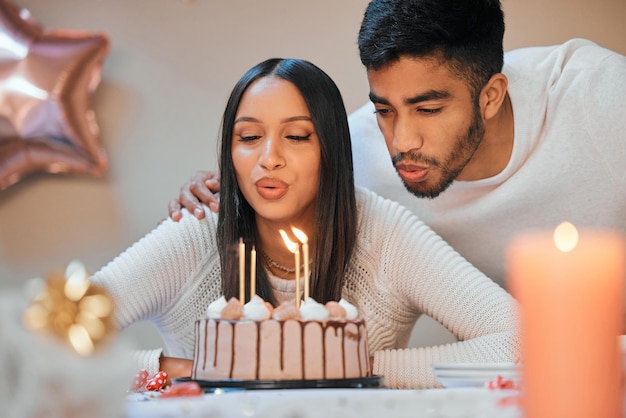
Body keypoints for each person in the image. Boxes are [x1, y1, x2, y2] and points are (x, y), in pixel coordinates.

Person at [90, 57, 519, 389]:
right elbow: (45, 340)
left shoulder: (381, 232)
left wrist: (354, 368)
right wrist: (189, 369)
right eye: (249, 137)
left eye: (296, 136)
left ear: (330, 149)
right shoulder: (199, 229)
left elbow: (523, 345)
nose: (268, 158)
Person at [168, 0, 626, 289]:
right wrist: (213, 190)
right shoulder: (358, 149)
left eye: (428, 109)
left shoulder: (601, 98)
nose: (401, 141)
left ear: (491, 95)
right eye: (384, 109)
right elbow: (272, 184)